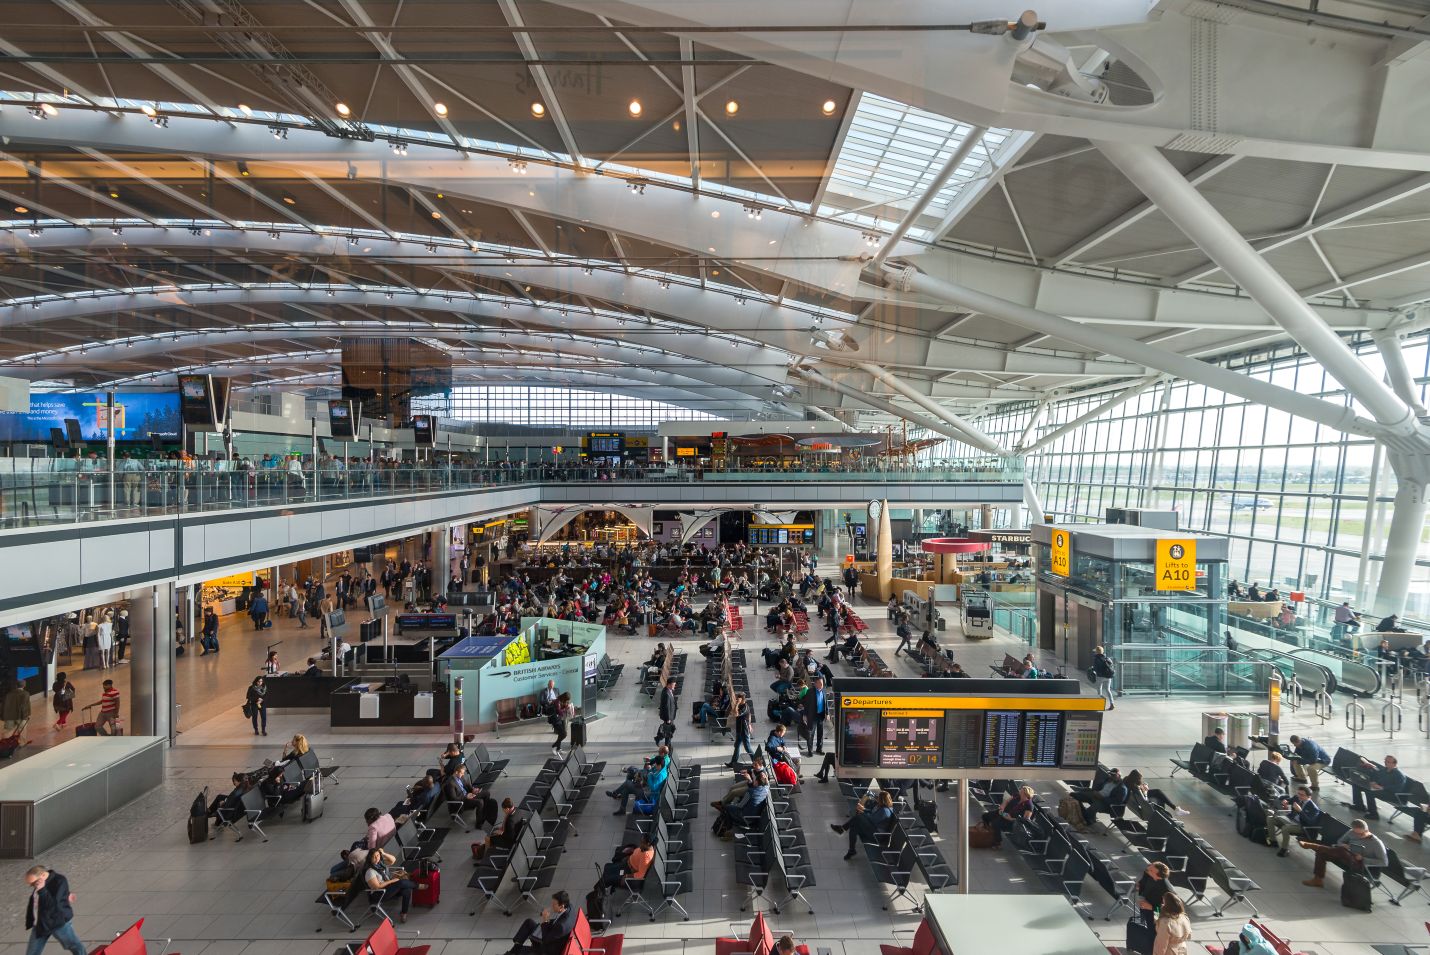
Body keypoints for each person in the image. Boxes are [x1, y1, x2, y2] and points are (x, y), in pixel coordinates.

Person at [1300, 817, 1387, 888]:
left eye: (1361, 834)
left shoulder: (1376, 843)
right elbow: (1340, 841)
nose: (1358, 836)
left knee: (1339, 851)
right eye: (1356, 833)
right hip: (1345, 855)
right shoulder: (1352, 832)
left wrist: (1363, 858)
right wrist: (1344, 845)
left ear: (1367, 830)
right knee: (1322, 853)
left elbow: (1384, 862)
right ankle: (1318, 880)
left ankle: (1314, 846)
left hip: (1360, 864)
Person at [22, 865, 86, 955]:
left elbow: (53, 905)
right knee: (32, 952)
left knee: (74, 946)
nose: (32, 886)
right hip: (41, 924)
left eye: (33, 883)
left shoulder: (59, 881)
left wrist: (42, 890)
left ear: (43, 875)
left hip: (57, 923)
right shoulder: (39, 884)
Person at [505, 889, 578, 955]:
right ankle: (515, 948)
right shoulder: (569, 907)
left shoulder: (561, 926)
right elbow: (557, 922)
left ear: (561, 906)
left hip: (548, 949)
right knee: (529, 922)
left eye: (554, 904)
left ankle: (514, 951)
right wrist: (548, 922)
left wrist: (545, 919)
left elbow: (545, 939)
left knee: (521, 950)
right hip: (553, 934)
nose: (552, 906)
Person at [832, 790, 896, 860]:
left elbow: (872, 820)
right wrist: (864, 809)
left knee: (859, 817)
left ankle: (842, 829)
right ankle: (851, 850)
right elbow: (872, 813)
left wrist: (863, 813)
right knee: (854, 827)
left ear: (882, 800)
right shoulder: (881, 806)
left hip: (876, 835)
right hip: (872, 828)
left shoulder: (885, 811)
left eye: (878, 798)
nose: (877, 798)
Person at [360, 847, 416, 923]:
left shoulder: (380, 864)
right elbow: (377, 886)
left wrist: (383, 853)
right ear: (370, 858)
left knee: (407, 890)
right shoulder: (370, 871)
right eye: (374, 857)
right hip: (380, 893)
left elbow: (393, 860)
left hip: (389, 889)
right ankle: (417, 886)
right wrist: (392, 881)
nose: (377, 858)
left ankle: (404, 913)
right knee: (401, 883)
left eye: (378, 855)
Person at [1265, 786, 1322, 856]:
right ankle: (1273, 841)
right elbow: (1290, 800)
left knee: (1285, 828)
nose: (1299, 796)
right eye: (1298, 793)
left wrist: (1300, 811)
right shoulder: (1297, 798)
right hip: (1291, 819)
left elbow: (1310, 822)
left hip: (1302, 826)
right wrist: (1286, 801)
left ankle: (1284, 849)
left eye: (1302, 795)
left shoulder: (1314, 808)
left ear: (1309, 796)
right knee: (1270, 818)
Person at [1348, 753, 1405, 819]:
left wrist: (1382, 787)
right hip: (1380, 789)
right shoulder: (1385, 770)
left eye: (1388, 762)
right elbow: (1379, 778)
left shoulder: (1399, 775)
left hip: (1392, 794)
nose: (1386, 763)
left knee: (1370, 792)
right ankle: (1359, 806)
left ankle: (1373, 814)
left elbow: (1398, 788)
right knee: (1356, 785)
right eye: (1385, 761)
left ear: (1394, 764)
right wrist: (1374, 783)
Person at [979, 785, 1035, 849]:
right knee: (985, 816)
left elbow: (1025, 820)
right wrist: (1002, 807)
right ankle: (988, 832)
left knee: (995, 824)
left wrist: (1011, 819)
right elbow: (1007, 801)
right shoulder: (1017, 795)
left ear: (1025, 794)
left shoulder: (1029, 806)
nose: (1019, 792)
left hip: (1012, 822)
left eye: (1021, 792)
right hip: (1004, 813)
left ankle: (997, 843)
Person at [1124, 770, 1189, 816]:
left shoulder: (1127, 780)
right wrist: (1145, 791)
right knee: (1159, 793)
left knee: (1158, 793)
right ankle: (1175, 809)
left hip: (1136, 798)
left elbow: (1138, 788)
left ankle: (1175, 809)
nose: (1141, 780)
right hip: (1141, 799)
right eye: (1140, 779)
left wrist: (1143, 786)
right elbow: (1144, 800)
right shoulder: (1136, 789)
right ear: (1136, 779)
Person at [1136, 861, 1172, 929]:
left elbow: (1169, 909)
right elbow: (1143, 881)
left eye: (1151, 870)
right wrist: (1139, 885)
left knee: (1153, 929)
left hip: (1156, 913)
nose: (1148, 869)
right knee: (1144, 924)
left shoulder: (1166, 890)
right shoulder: (1150, 875)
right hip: (1145, 906)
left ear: (1157, 875)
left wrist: (1152, 907)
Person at [800, 675, 829, 755]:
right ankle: (810, 750)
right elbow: (806, 704)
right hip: (812, 716)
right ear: (815, 684)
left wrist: (827, 713)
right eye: (820, 683)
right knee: (811, 734)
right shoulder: (810, 692)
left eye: (822, 683)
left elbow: (826, 703)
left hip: (821, 715)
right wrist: (805, 715)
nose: (821, 685)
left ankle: (819, 749)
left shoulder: (824, 691)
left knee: (820, 733)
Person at [729, 692, 755, 766]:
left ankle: (756, 762)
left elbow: (735, 714)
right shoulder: (740, 705)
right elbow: (733, 712)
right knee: (737, 746)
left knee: (748, 748)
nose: (736, 699)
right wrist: (750, 724)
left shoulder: (744, 707)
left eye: (737, 698)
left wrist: (737, 703)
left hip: (744, 730)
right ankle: (733, 763)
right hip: (739, 730)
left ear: (741, 699)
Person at [2, 677, 31, 742]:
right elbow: (25, 706)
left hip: (9, 716)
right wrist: (26, 715)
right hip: (20, 716)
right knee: (22, 730)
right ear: (24, 685)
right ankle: (21, 743)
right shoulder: (25, 694)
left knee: (8, 730)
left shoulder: (9, 694)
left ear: (16, 685)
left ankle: (4, 743)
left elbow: (4, 705)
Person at [1091, 646, 1116, 710]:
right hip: (1108, 676)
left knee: (1099, 690)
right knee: (1108, 690)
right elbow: (1111, 665)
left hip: (1100, 677)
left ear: (1096, 652)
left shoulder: (1096, 659)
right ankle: (1112, 703)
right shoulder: (1107, 658)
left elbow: (1095, 668)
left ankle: (1100, 705)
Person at [656, 676, 678, 747]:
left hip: (670, 715)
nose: (675, 685)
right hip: (668, 716)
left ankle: (658, 738)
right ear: (669, 684)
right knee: (669, 731)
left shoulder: (669, 690)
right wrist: (668, 718)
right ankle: (667, 746)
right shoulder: (666, 693)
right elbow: (666, 707)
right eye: (673, 684)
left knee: (667, 730)